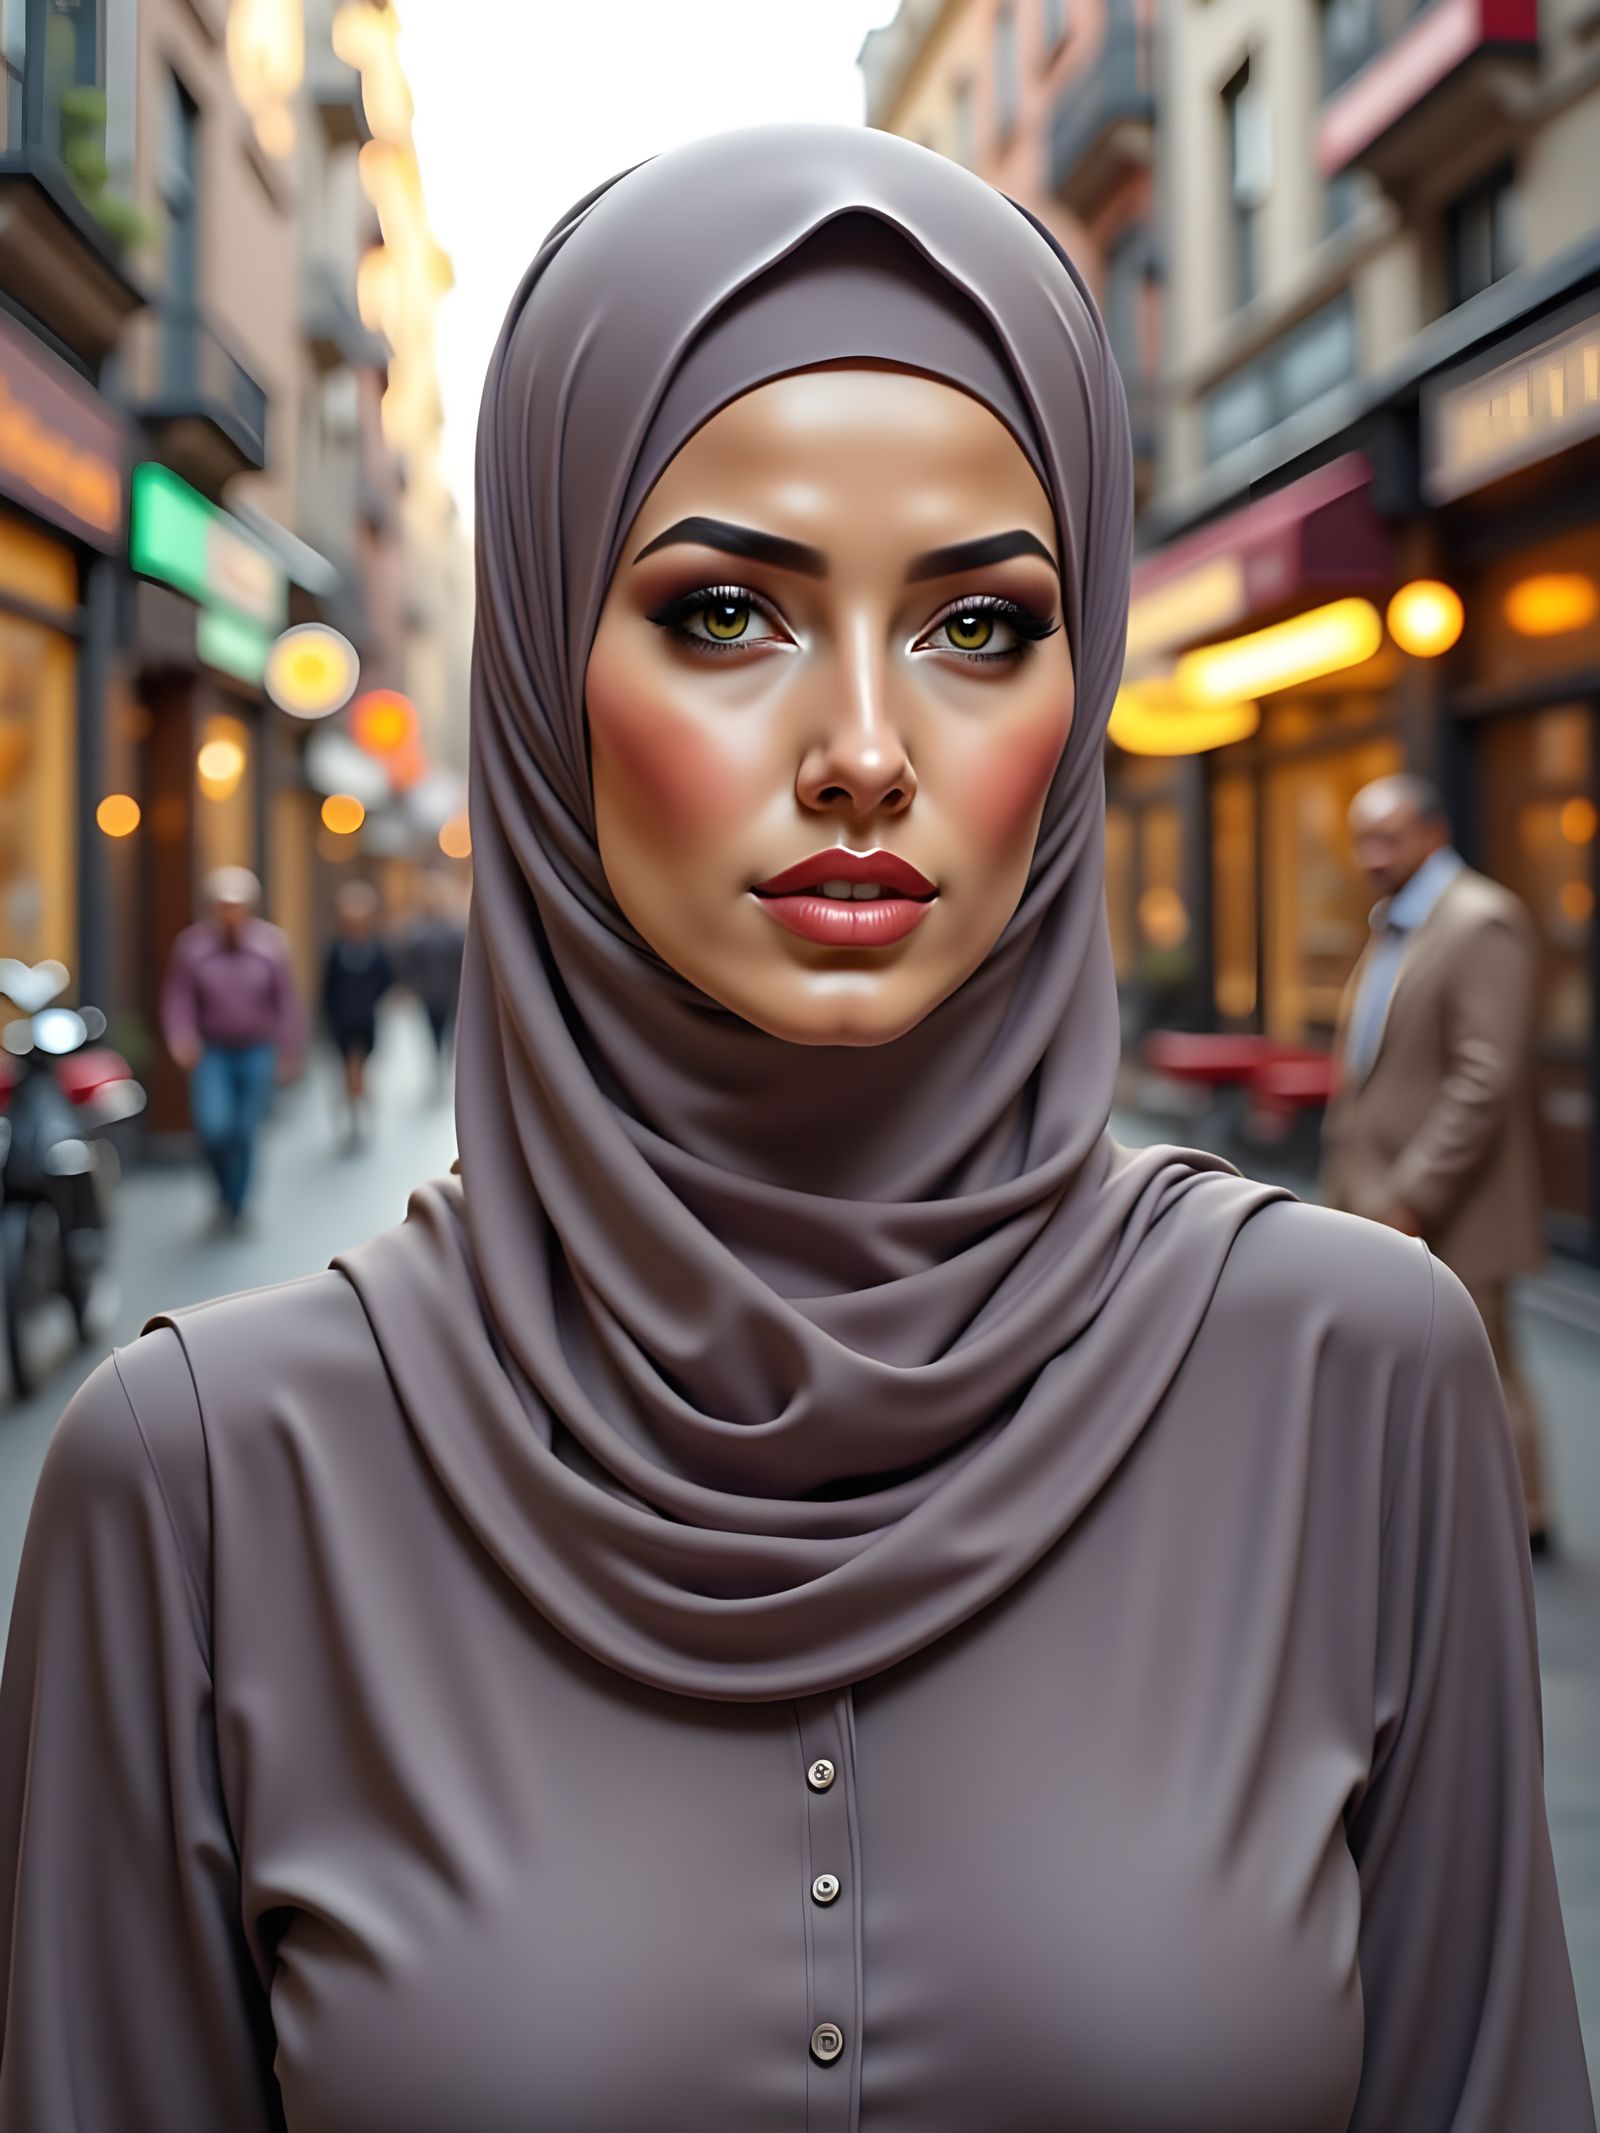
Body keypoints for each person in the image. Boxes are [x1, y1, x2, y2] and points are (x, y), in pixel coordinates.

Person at [0, 129, 1590, 2130]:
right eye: (726, 612)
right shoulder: (211, 1486)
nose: (859, 748)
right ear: (540, 678)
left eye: (979, 626)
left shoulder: (1349, 1377)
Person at [1321, 773, 1553, 1552]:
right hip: (1374, 1187)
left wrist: (1414, 1193)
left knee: (1481, 1357)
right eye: (1361, 840)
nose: (1370, 856)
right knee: (1408, 1353)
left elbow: (1484, 1078)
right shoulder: (1400, 922)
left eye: (1386, 837)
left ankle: (1523, 1519)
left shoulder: (1480, 921)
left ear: (1432, 831)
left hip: (1450, 1199)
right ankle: (1436, 1506)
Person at [158, 865, 304, 1234]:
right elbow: (178, 998)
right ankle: (223, 1189)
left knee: (244, 1130)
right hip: (214, 1051)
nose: (230, 913)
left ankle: (237, 1204)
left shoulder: (271, 947)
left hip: (257, 1049)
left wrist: (289, 1051)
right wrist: (181, 1036)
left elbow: (286, 1003)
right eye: (223, 905)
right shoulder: (192, 948)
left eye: (237, 905)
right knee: (213, 1125)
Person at [321, 879, 395, 1150]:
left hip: (365, 1021)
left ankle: (360, 1117)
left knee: (360, 1071)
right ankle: (352, 1118)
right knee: (347, 1072)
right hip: (342, 1021)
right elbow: (326, 989)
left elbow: (387, 980)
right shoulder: (336, 950)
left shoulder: (376, 950)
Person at [394, 868, 466, 1097]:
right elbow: (409, 963)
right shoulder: (429, 933)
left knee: (441, 1034)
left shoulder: (435, 932)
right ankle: (439, 1068)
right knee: (438, 1033)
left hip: (442, 992)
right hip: (437, 992)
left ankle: (440, 1068)